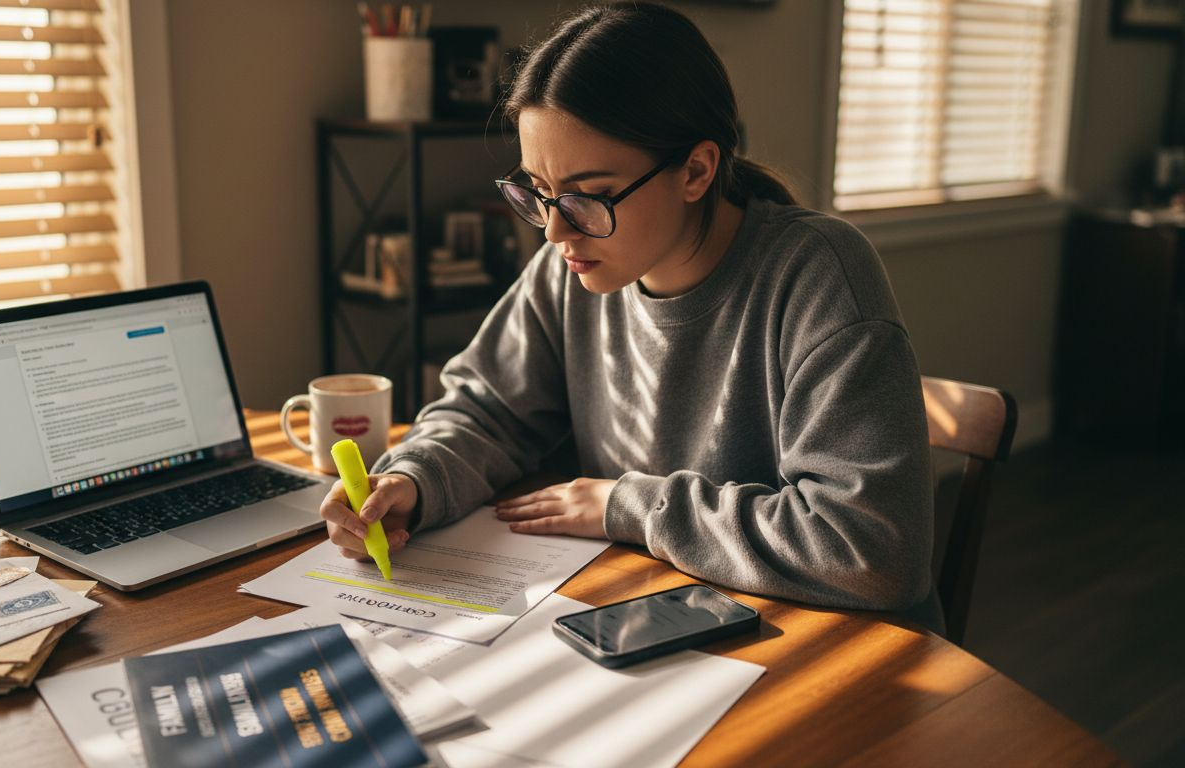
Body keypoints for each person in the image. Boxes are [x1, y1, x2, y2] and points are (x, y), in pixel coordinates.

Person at [318, 2, 941, 628]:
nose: (555, 230)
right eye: (538, 191)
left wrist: (630, 504)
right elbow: (485, 411)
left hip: (826, 649)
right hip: (652, 616)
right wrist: (415, 481)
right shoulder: (572, 264)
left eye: (589, 196)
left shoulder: (817, 275)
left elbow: (871, 550)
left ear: (696, 170)